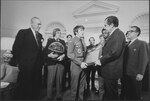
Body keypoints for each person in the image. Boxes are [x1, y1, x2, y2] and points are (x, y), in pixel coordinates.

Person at [9, 17, 44, 100]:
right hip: (26, 66)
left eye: (40, 24)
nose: (40, 26)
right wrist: (18, 63)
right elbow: (16, 48)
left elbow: (39, 51)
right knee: (24, 88)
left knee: (35, 87)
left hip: (37, 67)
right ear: (32, 23)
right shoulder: (23, 32)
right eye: (38, 24)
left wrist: (41, 64)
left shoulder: (40, 36)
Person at [95, 16, 126, 100]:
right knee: (108, 93)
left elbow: (114, 52)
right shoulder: (113, 34)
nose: (104, 27)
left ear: (112, 25)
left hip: (112, 71)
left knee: (112, 95)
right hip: (108, 70)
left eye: (105, 25)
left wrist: (101, 60)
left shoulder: (118, 34)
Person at [123, 26, 149, 100]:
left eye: (131, 31)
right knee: (128, 94)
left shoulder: (142, 43)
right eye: (128, 31)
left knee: (135, 95)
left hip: (135, 75)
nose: (128, 32)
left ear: (137, 33)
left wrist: (141, 73)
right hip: (126, 74)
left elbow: (144, 59)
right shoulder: (127, 44)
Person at [44, 28, 66, 100]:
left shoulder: (63, 42)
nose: (59, 34)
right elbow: (45, 52)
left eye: (60, 33)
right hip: (51, 64)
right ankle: (49, 96)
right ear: (54, 33)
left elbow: (65, 52)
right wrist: (49, 55)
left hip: (60, 63)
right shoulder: (50, 41)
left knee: (59, 81)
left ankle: (58, 96)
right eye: (57, 33)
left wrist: (63, 56)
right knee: (50, 80)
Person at [67, 25, 87, 100]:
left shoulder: (82, 40)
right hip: (76, 65)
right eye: (81, 30)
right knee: (74, 85)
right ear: (76, 32)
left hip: (83, 64)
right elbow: (70, 54)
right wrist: (80, 63)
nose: (83, 32)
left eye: (83, 30)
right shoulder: (72, 40)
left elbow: (85, 52)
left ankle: (80, 99)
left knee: (82, 85)